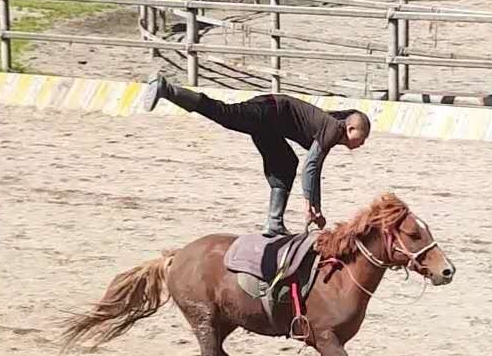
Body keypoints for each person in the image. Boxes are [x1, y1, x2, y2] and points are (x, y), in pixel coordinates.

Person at [143, 72, 371, 237]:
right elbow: (310, 168)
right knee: (224, 113)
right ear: (351, 129)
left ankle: (274, 223)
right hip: (268, 109)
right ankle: (168, 89)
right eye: (363, 137)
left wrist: (315, 206)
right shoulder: (334, 129)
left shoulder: (332, 130)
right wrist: (309, 205)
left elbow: (314, 170)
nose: (363, 143)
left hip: (270, 124)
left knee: (285, 164)